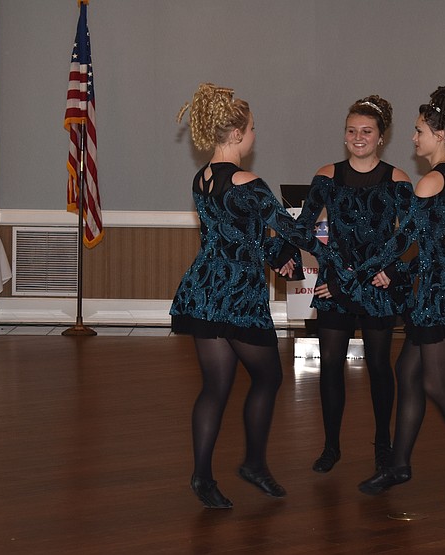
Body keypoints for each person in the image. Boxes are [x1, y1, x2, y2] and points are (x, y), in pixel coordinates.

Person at [171, 83, 320, 509]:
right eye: (252, 128)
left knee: (215, 386)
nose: (255, 135)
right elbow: (292, 230)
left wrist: (277, 258)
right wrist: (336, 255)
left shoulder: (201, 179)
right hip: (237, 295)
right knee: (268, 377)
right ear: (235, 133)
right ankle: (253, 463)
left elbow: (238, 236)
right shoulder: (248, 181)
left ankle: (203, 476)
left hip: (204, 289)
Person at [353, 85, 445, 501]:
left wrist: (363, 270)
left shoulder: (431, 181)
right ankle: (398, 466)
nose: (414, 138)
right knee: (409, 373)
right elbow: (437, 246)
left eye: (419, 131)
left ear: (441, 134)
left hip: (442, 296)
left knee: (438, 385)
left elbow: (404, 241)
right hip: (442, 289)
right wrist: (395, 273)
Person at [296, 95, 414, 473]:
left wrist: (392, 271)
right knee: (330, 363)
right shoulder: (327, 175)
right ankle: (331, 446)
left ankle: (383, 443)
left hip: (379, 286)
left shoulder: (397, 179)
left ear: (381, 137)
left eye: (367, 131)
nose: (358, 137)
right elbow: (304, 228)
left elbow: (413, 234)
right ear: (344, 135)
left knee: (380, 365)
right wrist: (333, 269)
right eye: (352, 131)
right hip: (336, 286)